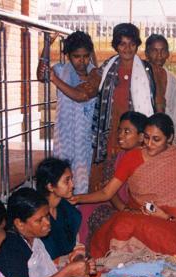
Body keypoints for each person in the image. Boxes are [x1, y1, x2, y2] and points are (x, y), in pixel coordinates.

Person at [73, 113, 176, 260]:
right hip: (137, 212)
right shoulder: (132, 157)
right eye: (147, 137)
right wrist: (77, 198)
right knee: (122, 226)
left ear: (169, 138)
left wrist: (166, 216)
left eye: (156, 139)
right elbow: (107, 193)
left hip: (169, 219)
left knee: (166, 237)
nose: (149, 144)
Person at [90, 23, 166, 191]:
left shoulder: (151, 70)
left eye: (132, 43)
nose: (127, 48)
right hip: (112, 134)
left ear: (137, 45)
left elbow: (160, 104)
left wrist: (161, 134)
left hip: (138, 135)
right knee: (111, 177)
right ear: (116, 46)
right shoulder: (107, 68)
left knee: (136, 177)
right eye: (122, 43)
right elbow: (85, 92)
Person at [0, 188, 94, 277]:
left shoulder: (35, 241)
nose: (47, 223)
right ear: (19, 224)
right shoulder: (10, 247)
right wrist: (66, 273)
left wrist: (76, 273)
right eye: (39, 220)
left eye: (47, 216)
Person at [37, 31, 100, 194]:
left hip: (86, 136)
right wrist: (46, 46)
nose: (82, 61)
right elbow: (41, 74)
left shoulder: (96, 74)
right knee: (61, 176)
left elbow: (82, 96)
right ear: (68, 56)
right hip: (65, 134)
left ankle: (81, 210)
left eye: (86, 56)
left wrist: (55, 80)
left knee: (83, 175)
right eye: (76, 56)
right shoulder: (61, 70)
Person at [78, 111, 146, 247]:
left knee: (88, 208)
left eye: (127, 131)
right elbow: (107, 187)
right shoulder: (118, 157)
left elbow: (109, 192)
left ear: (141, 137)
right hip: (112, 200)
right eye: (120, 130)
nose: (120, 135)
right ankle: (83, 251)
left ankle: (91, 251)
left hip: (131, 207)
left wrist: (79, 198)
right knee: (84, 208)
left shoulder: (143, 159)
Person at [144, 34, 176, 148]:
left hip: (165, 135)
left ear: (168, 54)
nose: (159, 55)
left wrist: (175, 143)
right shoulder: (140, 77)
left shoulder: (171, 79)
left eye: (163, 51)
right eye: (154, 51)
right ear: (147, 54)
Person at [35, 157, 82, 260]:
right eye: (67, 181)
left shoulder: (70, 211)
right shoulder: (36, 217)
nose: (72, 185)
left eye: (71, 179)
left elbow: (75, 246)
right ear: (50, 186)